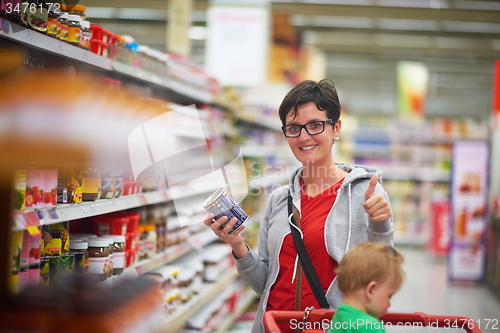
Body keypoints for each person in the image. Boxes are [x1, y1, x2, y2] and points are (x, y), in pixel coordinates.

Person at [204, 79, 394, 333]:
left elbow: (381, 279)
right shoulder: (279, 200)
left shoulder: (365, 193)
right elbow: (266, 285)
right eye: (293, 128)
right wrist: (238, 245)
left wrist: (380, 226)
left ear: (336, 128)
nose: (304, 137)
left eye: (315, 125)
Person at [327, 242, 404, 333]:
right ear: (371, 290)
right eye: (389, 297)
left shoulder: (339, 316)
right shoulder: (370, 326)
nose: (389, 305)